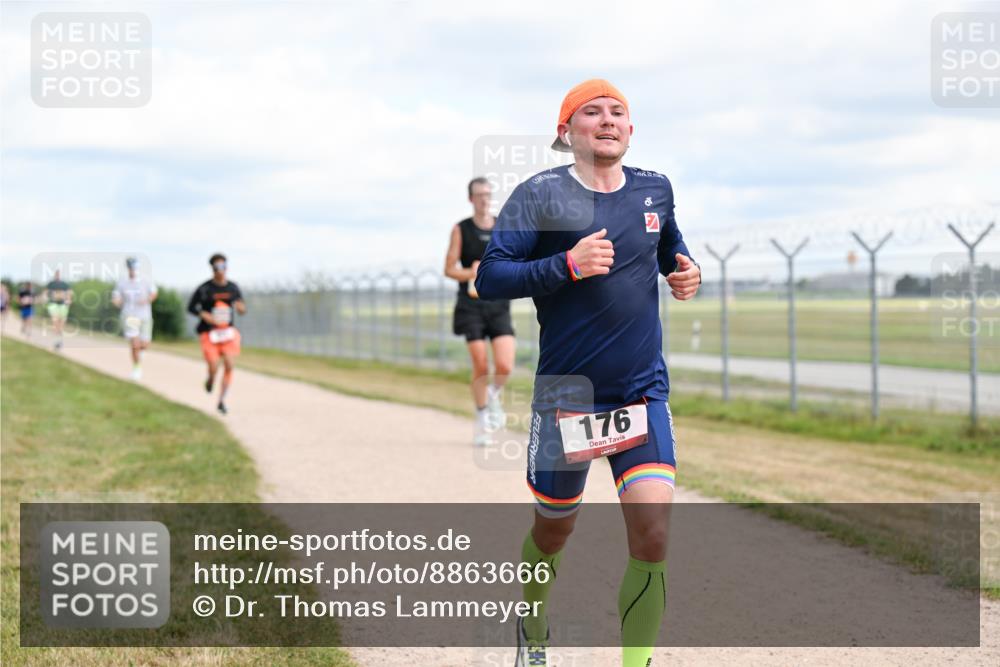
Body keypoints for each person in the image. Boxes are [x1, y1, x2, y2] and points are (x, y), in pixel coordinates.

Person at [475, 79, 701, 667]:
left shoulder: (655, 189)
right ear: (565, 132)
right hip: (567, 398)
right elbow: (491, 278)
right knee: (554, 530)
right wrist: (566, 266)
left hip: (640, 391)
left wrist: (687, 271)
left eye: (618, 111)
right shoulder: (539, 195)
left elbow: (671, 248)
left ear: (631, 129)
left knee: (653, 532)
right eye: (591, 112)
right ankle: (534, 623)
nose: (607, 119)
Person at [444, 177, 516, 446]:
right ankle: (482, 418)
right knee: (481, 365)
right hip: (471, 306)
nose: (485, 199)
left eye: (488, 194)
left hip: (498, 305)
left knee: (505, 365)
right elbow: (449, 268)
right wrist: (470, 272)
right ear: (471, 199)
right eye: (479, 195)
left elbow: (514, 260)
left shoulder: (502, 226)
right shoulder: (461, 229)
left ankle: (493, 398)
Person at [187, 253, 246, 414]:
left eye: (223, 266)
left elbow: (241, 307)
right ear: (212, 268)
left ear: (226, 267)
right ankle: (211, 380)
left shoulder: (233, 288)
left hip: (227, 332)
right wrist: (203, 315)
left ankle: (222, 400)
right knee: (213, 366)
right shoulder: (204, 289)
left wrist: (241, 308)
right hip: (209, 333)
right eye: (217, 267)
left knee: (229, 364)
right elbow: (191, 307)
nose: (220, 270)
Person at [111, 257, 158, 381]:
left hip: (145, 316)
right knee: (135, 344)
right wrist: (117, 302)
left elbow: (154, 293)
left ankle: (140, 354)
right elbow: (116, 297)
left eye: (134, 268)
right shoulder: (122, 282)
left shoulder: (146, 281)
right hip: (129, 316)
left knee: (145, 344)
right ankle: (136, 369)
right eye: (131, 268)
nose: (133, 270)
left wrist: (147, 300)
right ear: (128, 268)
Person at [44, 270, 73, 350]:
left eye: (59, 274)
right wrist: (46, 298)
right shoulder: (51, 284)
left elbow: (69, 293)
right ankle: (56, 341)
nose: (57, 276)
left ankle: (59, 340)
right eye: (56, 274)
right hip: (54, 305)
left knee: (62, 324)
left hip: (63, 305)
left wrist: (69, 300)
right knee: (55, 322)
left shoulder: (64, 284)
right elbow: (45, 293)